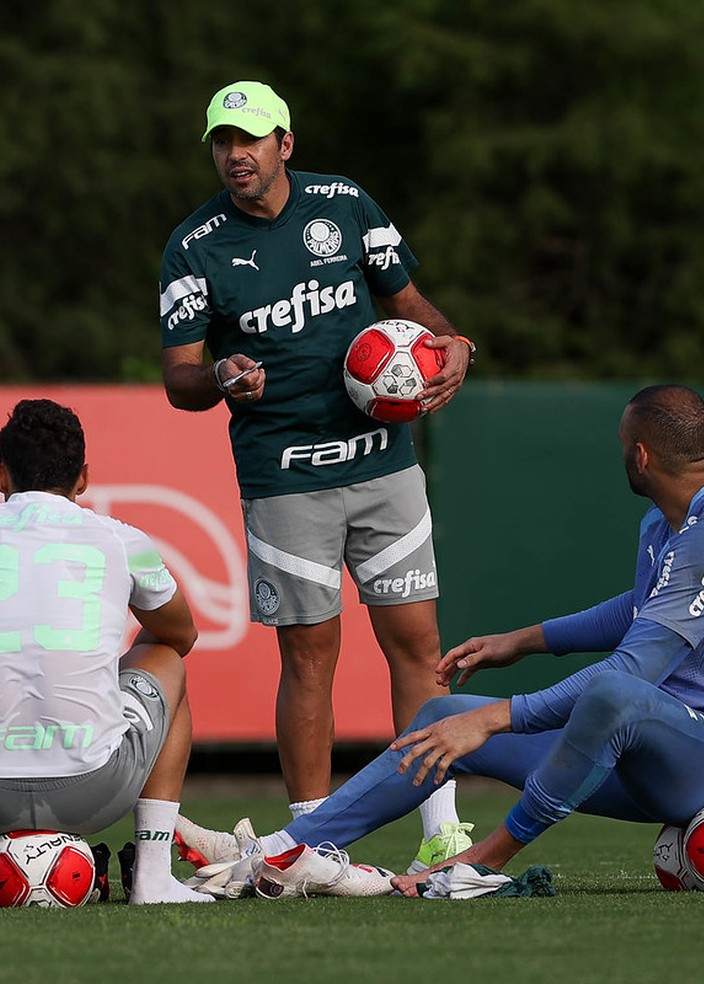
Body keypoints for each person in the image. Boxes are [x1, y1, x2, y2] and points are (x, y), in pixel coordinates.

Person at [177, 384, 704, 898]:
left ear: (640, 457)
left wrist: (499, 718)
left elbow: (634, 673)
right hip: (646, 748)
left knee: (611, 694)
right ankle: (287, 852)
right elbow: (639, 612)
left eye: (620, 447)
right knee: (443, 715)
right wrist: (521, 642)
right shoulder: (672, 517)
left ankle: (483, 862)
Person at [159, 79, 475, 871]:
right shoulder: (194, 246)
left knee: (417, 643)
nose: (235, 154)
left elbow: (410, 304)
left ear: (284, 145)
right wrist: (221, 376)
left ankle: (441, 827)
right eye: (223, 142)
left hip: (383, 465)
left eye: (250, 139)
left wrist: (457, 341)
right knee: (309, 659)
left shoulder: (345, 203)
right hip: (284, 475)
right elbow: (178, 379)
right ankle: (312, 840)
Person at [0, 399, 213, 905]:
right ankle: (151, 876)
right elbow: (182, 635)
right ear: (83, 478)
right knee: (167, 659)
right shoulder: (121, 539)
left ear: (0, 475)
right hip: (94, 790)